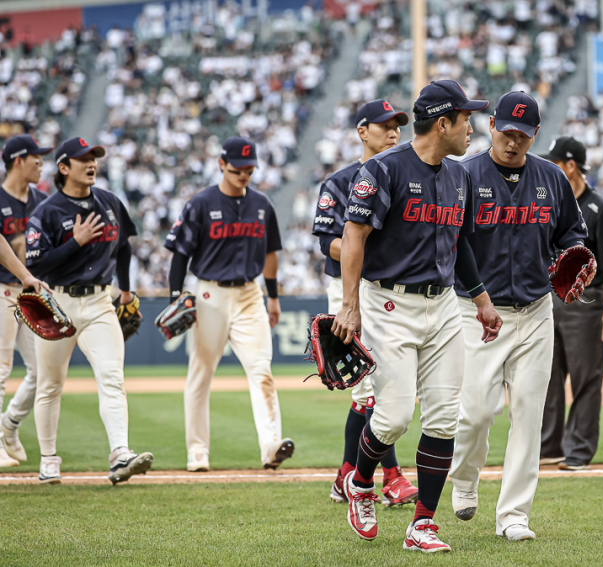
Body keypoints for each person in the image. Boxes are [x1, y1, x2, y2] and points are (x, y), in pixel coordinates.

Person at [332, 79, 502, 553]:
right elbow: (353, 235)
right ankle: (361, 483)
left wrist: (481, 298)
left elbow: (461, 241)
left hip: (444, 303)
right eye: (466, 118)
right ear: (443, 122)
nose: (472, 126)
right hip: (388, 303)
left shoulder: (459, 174)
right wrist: (349, 306)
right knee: (393, 417)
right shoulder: (383, 169)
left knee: (446, 418)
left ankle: (423, 524)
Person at [449, 92, 591, 541]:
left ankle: (513, 515)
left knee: (529, 416)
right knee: (473, 413)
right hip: (477, 310)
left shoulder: (551, 177)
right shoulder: (465, 174)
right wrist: (476, 297)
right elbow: (450, 240)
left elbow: (573, 231)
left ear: (535, 136)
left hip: (534, 310)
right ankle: (466, 479)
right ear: (491, 125)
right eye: (507, 133)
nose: (514, 143)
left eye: (523, 136)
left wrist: (572, 256)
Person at [26, 137, 153, 485]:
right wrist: (75, 242)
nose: (92, 163)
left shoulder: (110, 202)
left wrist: (125, 289)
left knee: (112, 376)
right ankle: (49, 459)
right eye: (83, 159)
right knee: (51, 384)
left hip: (100, 301)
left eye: (94, 157)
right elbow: (37, 266)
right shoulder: (47, 212)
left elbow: (124, 246)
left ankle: (120, 454)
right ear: (64, 168)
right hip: (57, 304)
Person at [312, 100, 418, 506]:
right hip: (346, 289)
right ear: (362, 131)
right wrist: (365, 257)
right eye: (383, 125)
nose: (392, 132)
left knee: (374, 391)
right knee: (368, 389)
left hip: (388, 292)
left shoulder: (408, 177)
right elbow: (328, 241)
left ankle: (345, 474)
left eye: (396, 125)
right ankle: (390, 477)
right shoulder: (339, 182)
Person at [165, 136, 292, 472]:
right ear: (222, 164)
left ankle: (271, 446)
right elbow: (180, 253)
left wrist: (274, 297)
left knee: (261, 371)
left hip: (251, 295)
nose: (244, 175)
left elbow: (270, 254)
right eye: (238, 169)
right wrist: (176, 295)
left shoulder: (262, 205)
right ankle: (197, 452)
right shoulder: (201, 203)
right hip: (210, 295)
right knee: (201, 374)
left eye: (250, 169)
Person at [539, 137, 603, 471]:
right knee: (548, 376)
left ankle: (579, 450)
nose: (550, 167)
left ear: (570, 166)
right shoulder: (552, 206)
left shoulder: (598, 208)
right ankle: (549, 446)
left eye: (555, 162)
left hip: (588, 302)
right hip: (550, 300)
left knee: (585, 377)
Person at [0, 135, 51, 468]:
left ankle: (9, 424)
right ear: (18, 160)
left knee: (44, 371)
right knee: (1, 369)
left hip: (32, 293)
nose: (41, 163)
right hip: (2, 290)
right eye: (36, 157)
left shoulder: (42, 200)